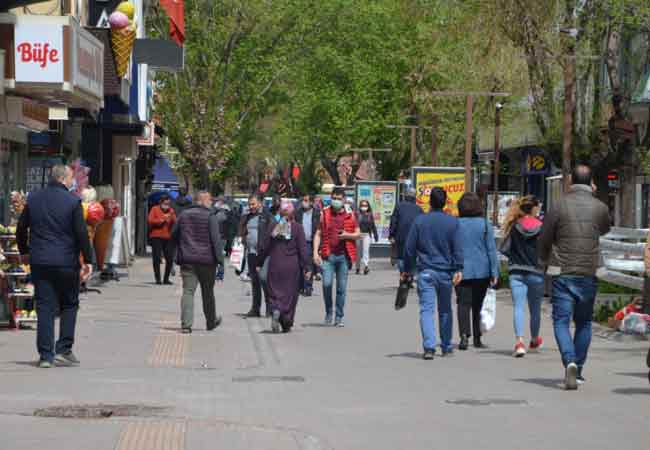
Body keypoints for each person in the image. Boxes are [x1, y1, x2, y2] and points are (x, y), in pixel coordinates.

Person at [539, 164, 610, 390]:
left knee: (561, 321)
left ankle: (569, 359)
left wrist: (543, 260)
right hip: (588, 271)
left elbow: (545, 237)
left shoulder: (558, 206)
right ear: (591, 183)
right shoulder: (599, 207)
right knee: (584, 322)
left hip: (562, 271)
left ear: (570, 183)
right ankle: (578, 369)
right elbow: (605, 229)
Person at [16, 165, 93, 368]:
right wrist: (89, 260)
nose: (72, 182)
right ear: (62, 179)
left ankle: (45, 356)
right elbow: (81, 233)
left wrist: (24, 251)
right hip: (67, 262)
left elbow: (21, 228)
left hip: (40, 261)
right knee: (69, 304)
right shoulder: (73, 201)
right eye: (70, 178)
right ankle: (64, 350)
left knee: (44, 306)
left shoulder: (34, 199)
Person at [403, 187, 463, 360]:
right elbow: (458, 248)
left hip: (426, 271)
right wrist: (459, 268)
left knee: (426, 310)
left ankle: (429, 347)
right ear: (445, 202)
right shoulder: (453, 222)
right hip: (446, 273)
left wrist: (408, 270)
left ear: (430, 202)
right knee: (445, 310)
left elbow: (409, 248)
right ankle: (446, 346)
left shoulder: (420, 221)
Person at [172, 191, 224, 334]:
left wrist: (178, 250)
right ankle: (210, 322)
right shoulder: (210, 216)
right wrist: (220, 261)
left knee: (188, 291)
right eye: (209, 200)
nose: (211, 203)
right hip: (207, 261)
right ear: (202, 201)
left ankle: (186, 325)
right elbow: (216, 240)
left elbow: (174, 234)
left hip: (188, 259)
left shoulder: (184, 214)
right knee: (208, 292)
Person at [500, 195, 545, 358]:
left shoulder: (514, 226)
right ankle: (534, 339)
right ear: (533, 208)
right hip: (536, 272)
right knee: (535, 309)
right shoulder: (542, 227)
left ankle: (519, 342)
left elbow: (506, 248)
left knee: (518, 307)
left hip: (516, 272)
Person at [455, 193, 499, 350]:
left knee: (463, 303)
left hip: (461, 270)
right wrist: (495, 272)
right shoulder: (485, 224)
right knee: (478, 304)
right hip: (482, 270)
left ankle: (463, 336)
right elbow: (491, 250)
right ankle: (477, 338)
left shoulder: (456, 224)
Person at [258, 201, 310, 333]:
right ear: (293, 213)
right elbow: (303, 249)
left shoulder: (273, 226)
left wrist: (260, 262)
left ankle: (276, 309)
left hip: (275, 264)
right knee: (290, 295)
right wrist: (307, 267)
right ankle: (286, 322)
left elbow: (264, 246)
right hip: (292, 268)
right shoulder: (297, 228)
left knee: (274, 292)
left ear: (280, 212)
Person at [313, 187, 361, 327]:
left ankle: (339, 316)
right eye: (334, 198)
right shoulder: (325, 213)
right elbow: (318, 233)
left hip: (343, 257)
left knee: (341, 288)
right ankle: (329, 312)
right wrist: (315, 252)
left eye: (339, 199)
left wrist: (347, 235)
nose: (336, 201)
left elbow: (358, 234)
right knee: (326, 284)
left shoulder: (350, 214)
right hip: (328, 256)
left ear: (344, 200)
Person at [239, 194, 275, 317]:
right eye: (249, 204)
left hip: (264, 254)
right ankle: (255, 308)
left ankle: (270, 307)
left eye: (253, 204)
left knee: (264, 278)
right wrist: (242, 239)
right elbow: (242, 231)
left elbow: (273, 233)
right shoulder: (247, 217)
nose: (251, 206)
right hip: (251, 253)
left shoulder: (267, 216)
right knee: (254, 281)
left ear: (260, 203)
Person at [389, 187, 423, 273]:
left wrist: (391, 235)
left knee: (401, 257)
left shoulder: (399, 206)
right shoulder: (419, 209)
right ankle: (409, 276)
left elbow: (394, 221)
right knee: (412, 257)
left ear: (405, 196)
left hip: (400, 236)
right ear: (415, 197)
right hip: (414, 238)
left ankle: (403, 275)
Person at [295, 195, 321, 296]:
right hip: (300, 242)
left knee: (309, 265)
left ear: (311, 202)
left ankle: (308, 286)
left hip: (311, 242)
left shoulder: (317, 214)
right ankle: (301, 286)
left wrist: (319, 247)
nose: (303, 202)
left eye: (306, 200)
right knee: (300, 265)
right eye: (303, 200)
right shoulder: (298, 213)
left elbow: (320, 230)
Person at [148, 195, 176, 285]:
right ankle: (158, 278)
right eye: (165, 203)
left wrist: (171, 218)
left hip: (167, 237)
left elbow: (175, 221)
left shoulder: (171, 211)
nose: (167, 205)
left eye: (168, 204)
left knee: (170, 258)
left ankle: (166, 279)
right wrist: (162, 219)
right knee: (156, 258)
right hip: (156, 236)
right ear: (161, 202)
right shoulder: (154, 209)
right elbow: (150, 220)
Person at [355, 199, 378, 275]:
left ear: (368, 206)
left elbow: (373, 225)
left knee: (366, 251)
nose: (364, 207)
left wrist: (375, 235)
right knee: (358, 252)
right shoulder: (357, 214)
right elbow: (354, 224)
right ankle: (358, 267)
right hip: (358, 235)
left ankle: (366, 266)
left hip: (367, 235)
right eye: (362, 205)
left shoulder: (370, 215)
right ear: (360, 206)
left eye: (365, 205)